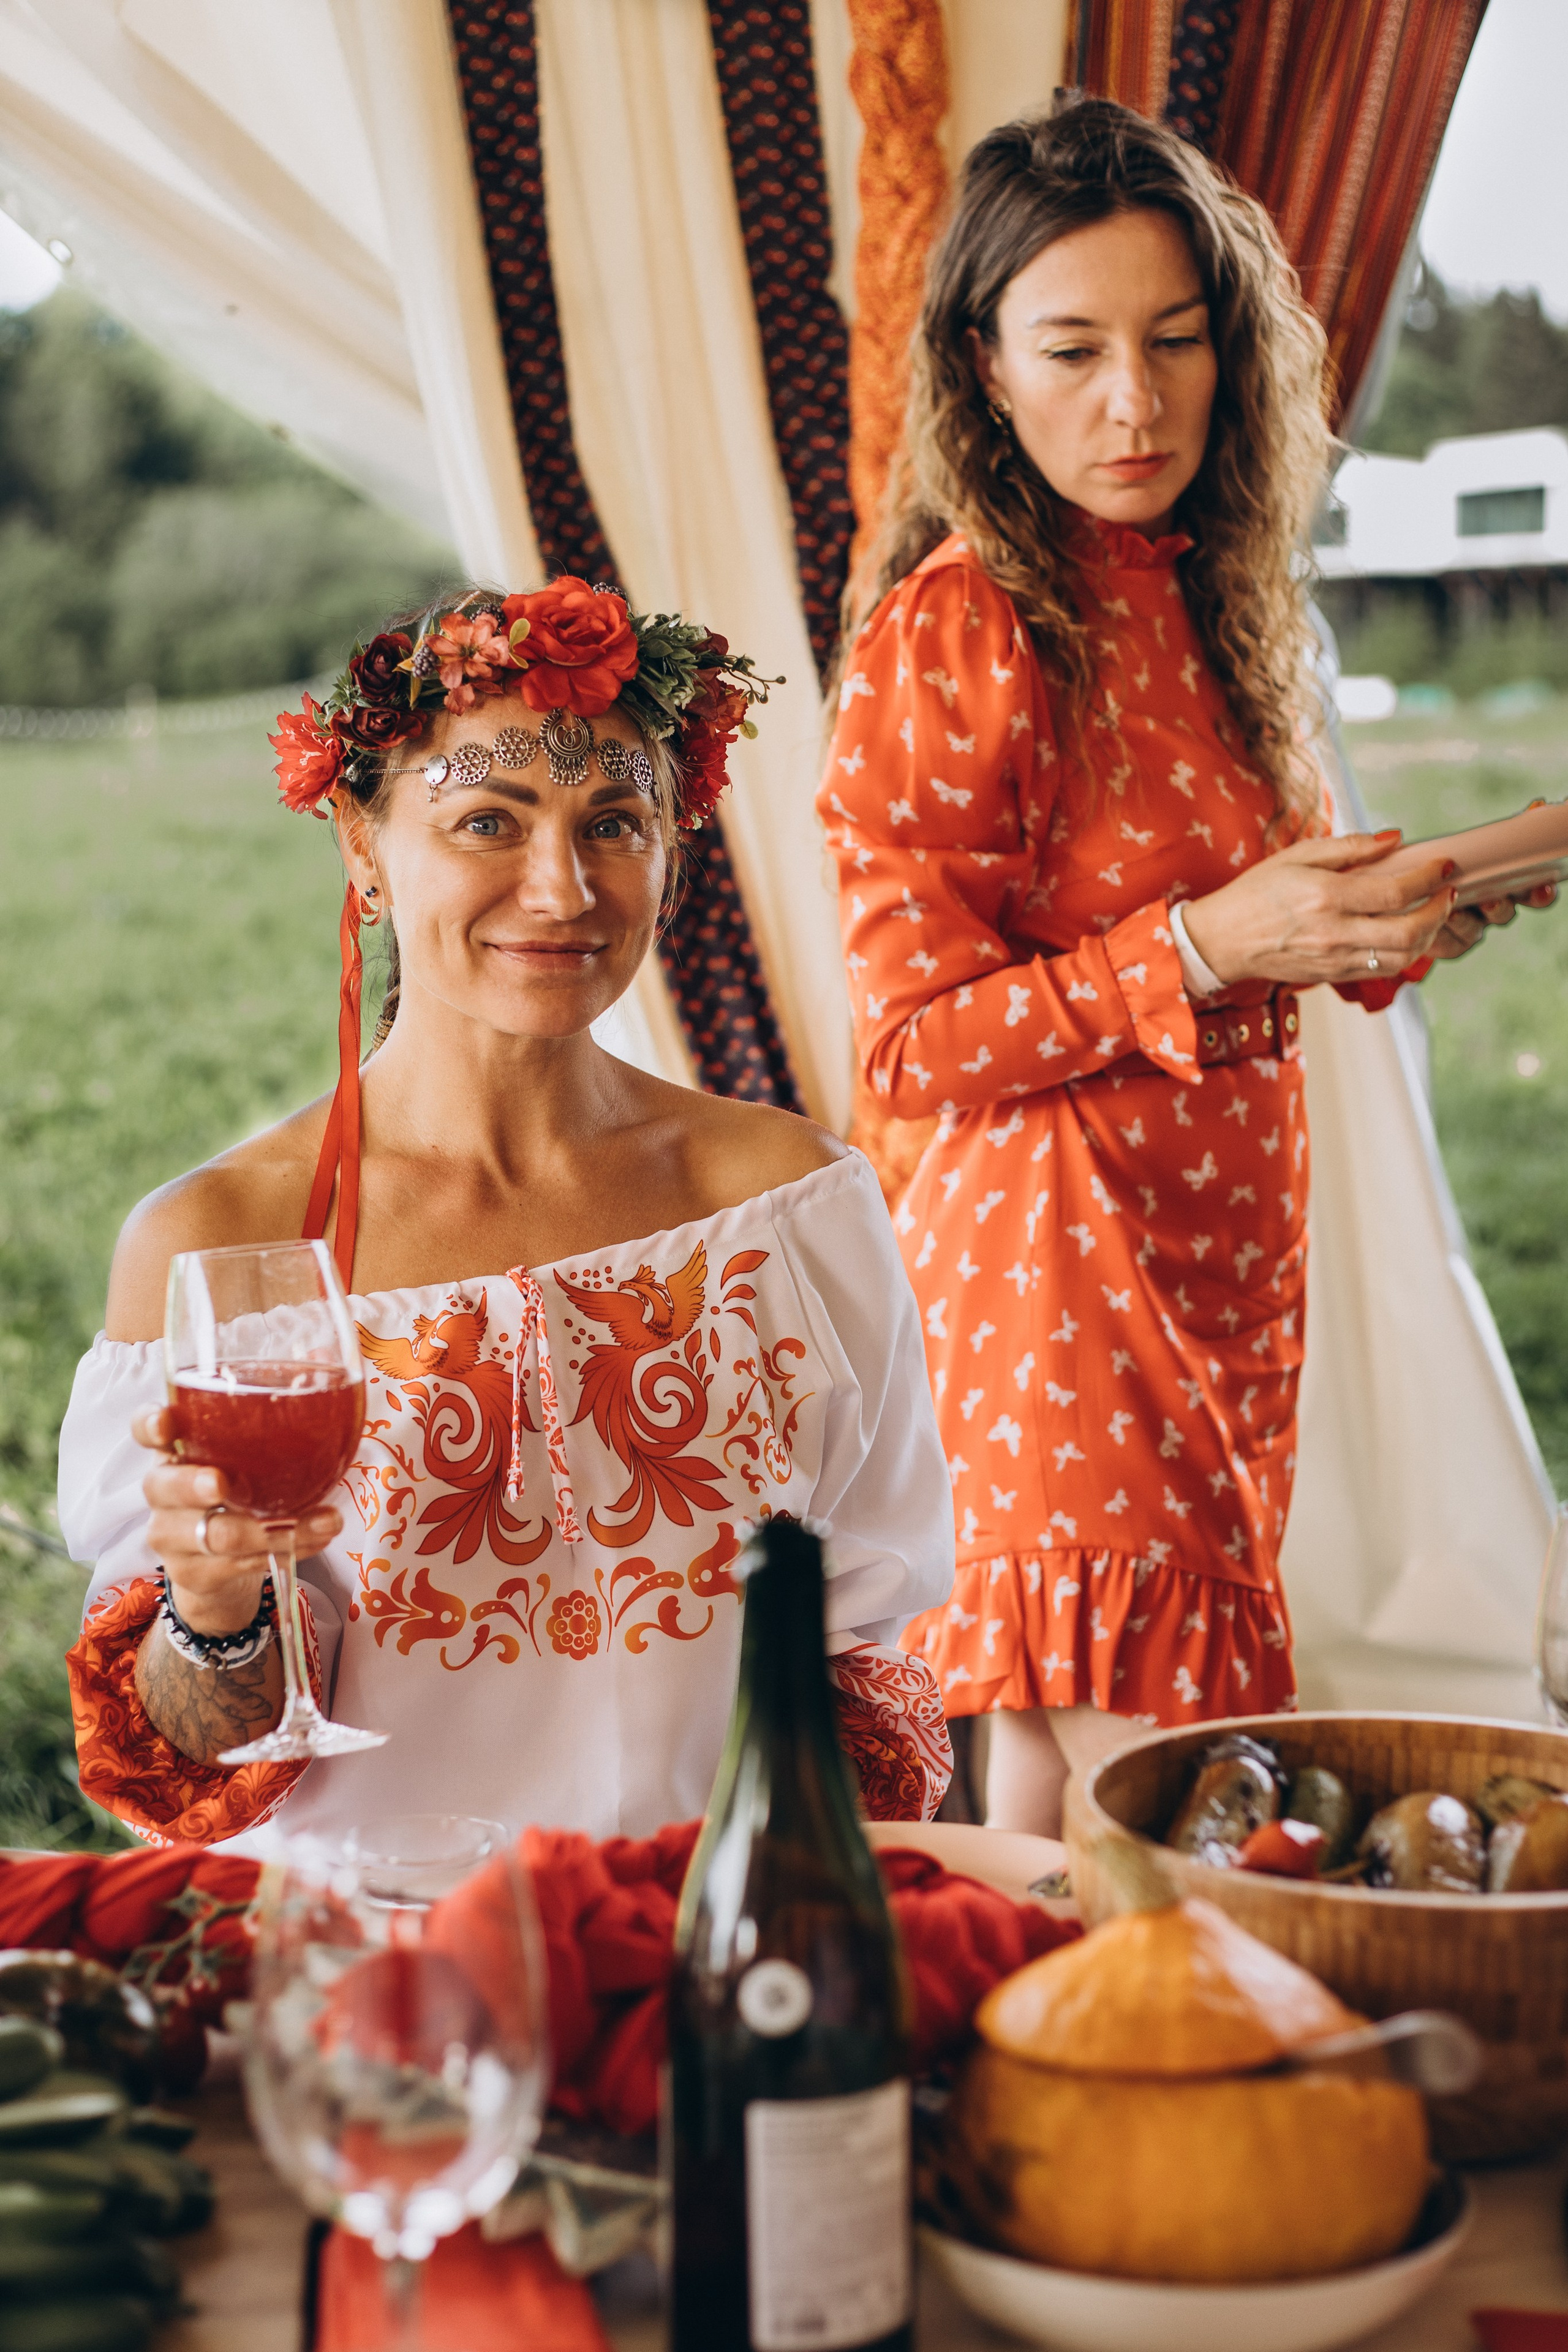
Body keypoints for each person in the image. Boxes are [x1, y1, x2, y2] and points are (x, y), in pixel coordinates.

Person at [819, 97, 1550, 1835]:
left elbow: (1267, 923)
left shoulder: (1203, 598)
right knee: (1130, 1776)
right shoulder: (961, 622)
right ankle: (1113, 2069)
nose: (1132, 403)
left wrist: (1424, 899)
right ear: (986, 369)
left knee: (1096, 1765)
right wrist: (1217, 940)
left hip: (1222, 1247)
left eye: (1176, 340)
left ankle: (1044, 2073)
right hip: (1053, 1256)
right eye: (1071, 350)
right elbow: (912, 1044)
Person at [61, 578, 954, 1849]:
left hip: (704, 1955)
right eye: (488, 821)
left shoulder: (787, 1205)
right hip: (373, 1983)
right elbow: (193, 1749)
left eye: (613, 823)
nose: (560, 890)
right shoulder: (216, 1247)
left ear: (673, 849)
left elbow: (856, 1659)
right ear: (363, 852)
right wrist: (215, 1612)